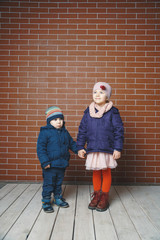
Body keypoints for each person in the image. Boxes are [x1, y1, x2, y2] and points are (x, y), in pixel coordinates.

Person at [77, 82, 124, 212]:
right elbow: (82, 130)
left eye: (101, 92)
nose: (97, 94)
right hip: (93, 148)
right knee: (96, 171)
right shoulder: (88, 112)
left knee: (106, 171)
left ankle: (104, 196)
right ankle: (97, 195)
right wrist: (80, 146)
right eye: (95, 92)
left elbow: (118, 131)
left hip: (107, 148)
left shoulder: (113, 112)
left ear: (107, 97)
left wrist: (117, 148)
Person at [37, 106, 77, 213]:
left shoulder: (65, 132)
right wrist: (45, 162)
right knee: (49, 184)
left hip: (62, 163)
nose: (58, 122)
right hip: (49, 165)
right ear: (49, 121)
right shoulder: (45, 132)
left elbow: (72, 144)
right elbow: (40, 148)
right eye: (55, 120)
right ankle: (46, 201)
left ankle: (57, 198)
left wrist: (79, 150)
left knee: (58, 183)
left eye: (60, 119)